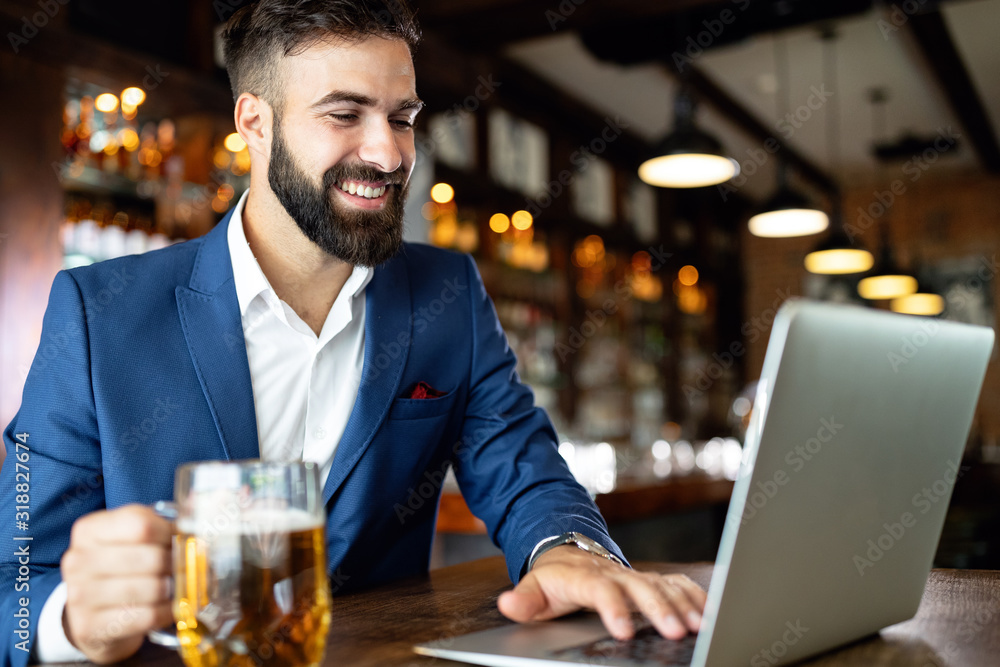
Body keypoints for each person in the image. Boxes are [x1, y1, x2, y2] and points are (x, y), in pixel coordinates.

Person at [0, 1, 706, 665]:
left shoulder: (447, 294)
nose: (391, 153)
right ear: (255, 122)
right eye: (345, 113)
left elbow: (524, 469)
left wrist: (571, 548)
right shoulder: (99, 313)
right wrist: (72, 620)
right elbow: (12, 589)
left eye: (402, 117)